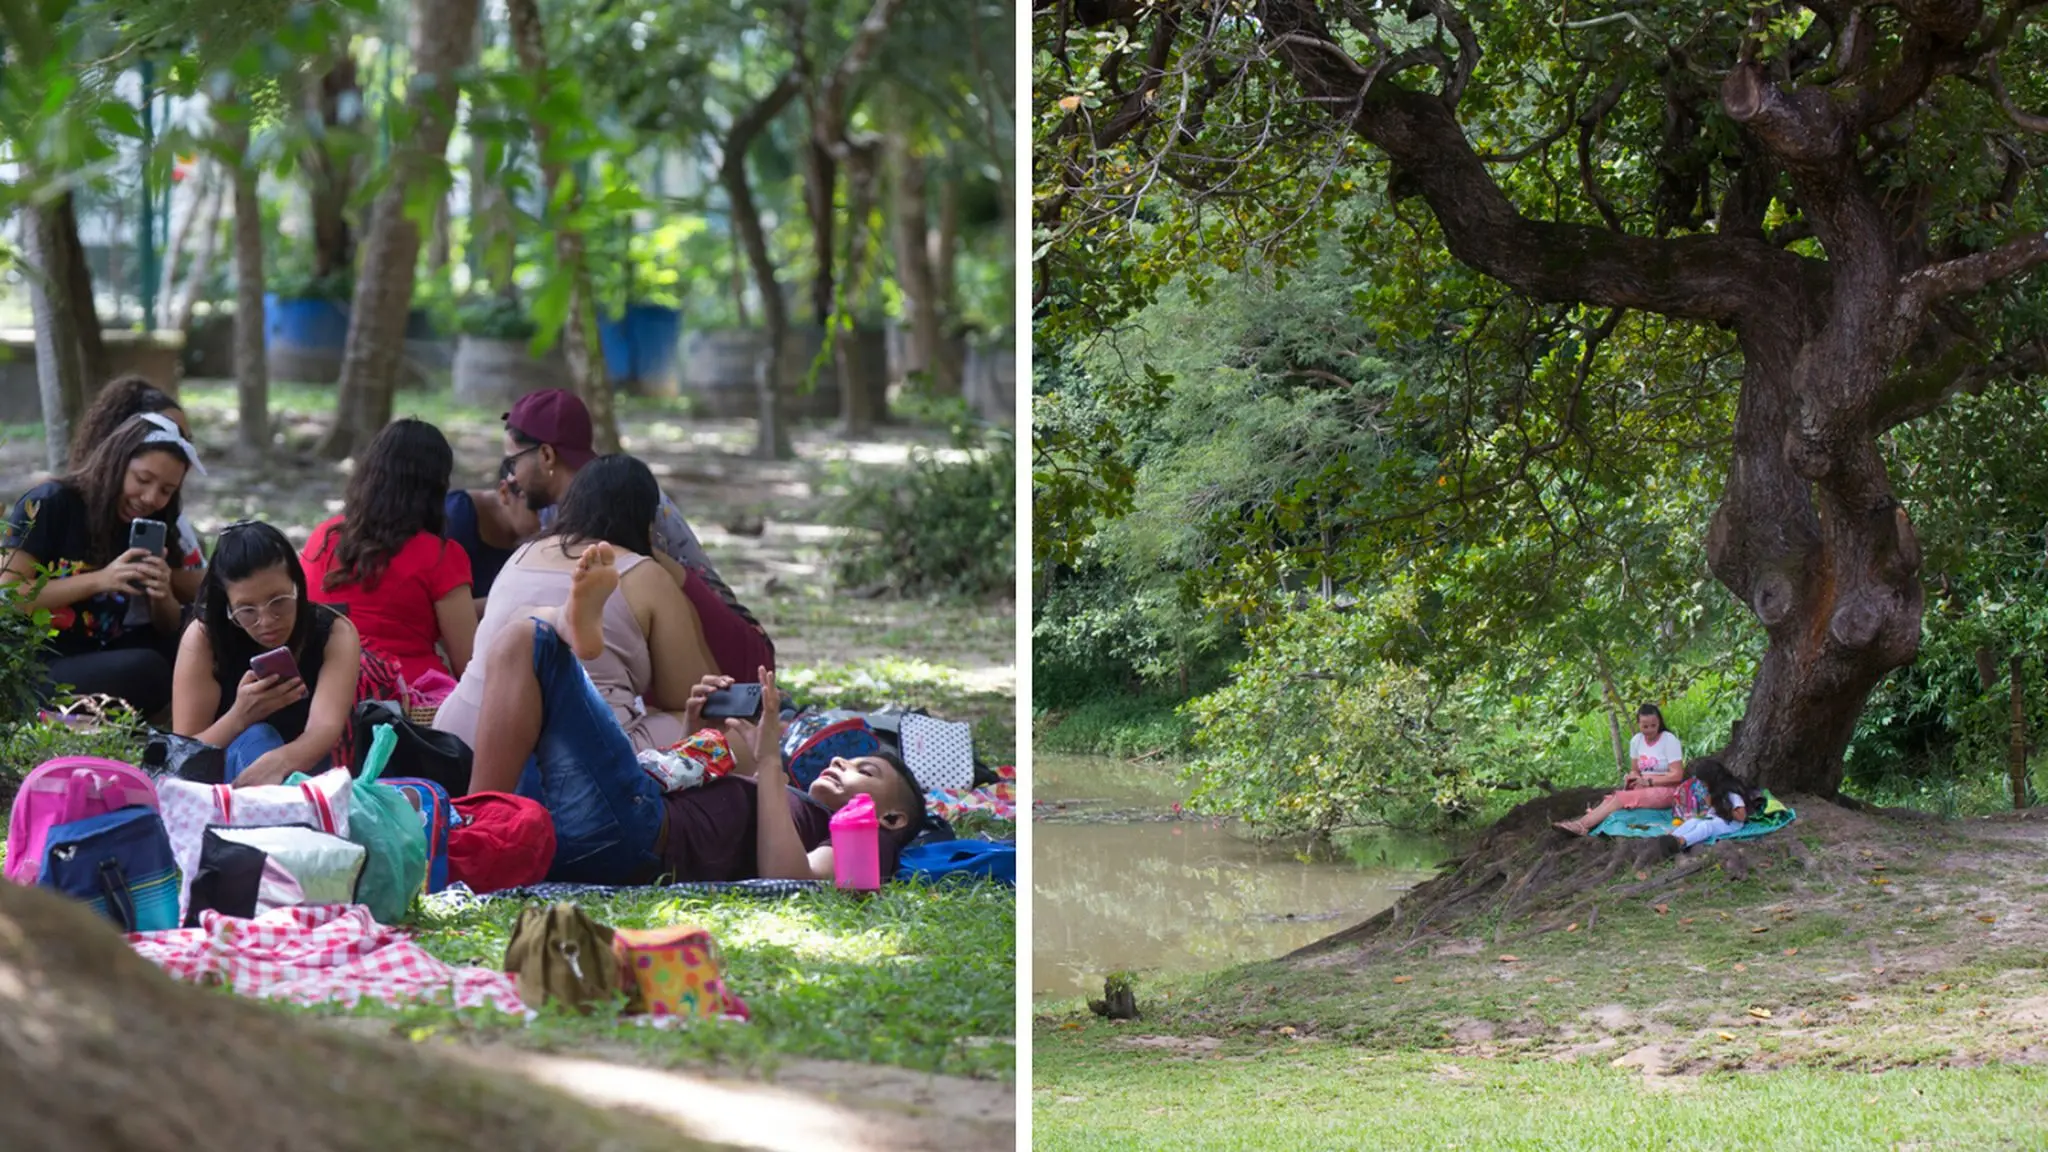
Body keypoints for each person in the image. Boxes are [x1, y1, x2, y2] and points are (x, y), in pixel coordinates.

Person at [458, 541, 924, 885]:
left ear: (892, 819)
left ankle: (474, 835)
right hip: (619, 815)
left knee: (528, 641)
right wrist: (694, 734)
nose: (841, 763)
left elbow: (791, 881)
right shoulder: (792, 803)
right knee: (520, 644)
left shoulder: (862, 838)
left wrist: (767, 763)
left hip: (634, 828)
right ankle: (475, 833)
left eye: (866, 769)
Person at [434, 454, 721, 760]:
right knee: (725, 736)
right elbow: (689, 696)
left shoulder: (521, 555)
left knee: (528, 642)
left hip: (460, 735)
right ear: (648, 523)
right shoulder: (645, 574)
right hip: (572, 756)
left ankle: (562, 626)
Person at [499, 389, 774, 679]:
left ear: (546, 455)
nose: (511, 477)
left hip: (725, 650)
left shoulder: (611, 499)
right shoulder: (553, 507)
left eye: (512, 462)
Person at [1, 414, 200, 716]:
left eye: (166, 490)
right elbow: (9, 597)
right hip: (35, 664)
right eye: (143, 480)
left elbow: (168, 626)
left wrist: (163, 593)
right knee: (148, 670)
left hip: (101, 652)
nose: (150, 497)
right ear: (115, 463)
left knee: (196, 647)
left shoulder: (150, 523)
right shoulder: (50, 503)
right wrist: (101, 580)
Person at [170, 522, 363, 787]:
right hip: (224, 783)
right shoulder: (205, 637)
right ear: (227, 606)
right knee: (259, 736)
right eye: (246, 610)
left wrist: (277, 762)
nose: (267, 620)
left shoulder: (335, 633)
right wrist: (240, 716)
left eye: (279, 601)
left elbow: (323, 730)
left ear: (297, 584)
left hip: (304, 772)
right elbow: (183, 754)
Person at [301, 418, 477, 686]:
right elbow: (469, 666)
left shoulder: (322, 538)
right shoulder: (440, 556)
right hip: (409, 703)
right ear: (437, 486)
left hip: (322, 688)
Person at [68, 376, 207, 603]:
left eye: (185, 440)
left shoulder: (157, 514)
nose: (179, 448)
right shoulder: (60, 503)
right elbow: (11, 594)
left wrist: (163, 577)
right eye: (167, 434)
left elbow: (199, 593)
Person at [443, 456, 541, 615]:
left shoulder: (530, 538)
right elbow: (435, 609)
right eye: (538, 509)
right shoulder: (455, 519)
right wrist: (506, 601)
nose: (548, 521)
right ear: (504, 492)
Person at [1662, 757, 1753, 850]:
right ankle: (1672, 837)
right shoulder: (1713, 791)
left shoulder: (1731, 794)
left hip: (1731, 823)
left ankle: (1683, 841)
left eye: (1703, 782)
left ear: (1711, 780)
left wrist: (1725, 807)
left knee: (1706, 826)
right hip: (1715, 817)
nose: (1702, 784)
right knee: (1694, 821)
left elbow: (1741, 817)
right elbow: (1711, 807)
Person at [1625, 703, 1684, 788]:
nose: (1650, 730)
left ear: (1659, 723)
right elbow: (1635, 771)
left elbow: (1677, 775)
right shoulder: (1636, 740)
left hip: (1666, 787)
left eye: (1653, 725)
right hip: (1642, 787)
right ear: (1638, 724)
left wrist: (1649, 782)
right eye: (1645, 726)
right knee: (1612, 799)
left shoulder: (1669, 739)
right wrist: (1634, 778)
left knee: (1626, 799)